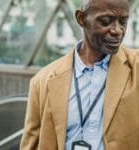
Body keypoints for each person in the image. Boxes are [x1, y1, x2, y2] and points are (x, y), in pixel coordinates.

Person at [20, 0, 139, 149]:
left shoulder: (136, 67)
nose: (118, 30)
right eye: (106, 21)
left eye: (123, 22)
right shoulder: (42, 81)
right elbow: (31, 143)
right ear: (81, 19)